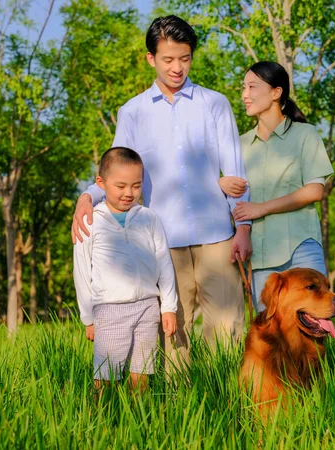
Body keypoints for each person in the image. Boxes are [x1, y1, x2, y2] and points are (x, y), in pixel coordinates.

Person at [71, 15, 252, 369]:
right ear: (151, 59)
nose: (177, 67)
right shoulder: (133, 113)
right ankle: (177, 409)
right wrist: (85, 197)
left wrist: (243, 228)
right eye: (168, 59)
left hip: (217, 234)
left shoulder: (214, 104)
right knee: (172, 332)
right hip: (162, 241)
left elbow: (235, 173)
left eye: (185, 58)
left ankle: (225, 400)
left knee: (228, 325)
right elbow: (116, 170)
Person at [218, 61, 333, 312]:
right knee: (269, 330)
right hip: (258, 254)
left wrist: (261, 208)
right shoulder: (240, 145)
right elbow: (232, 199)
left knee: (315, 323)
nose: (244, 95)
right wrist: (220, 182)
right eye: (243, 88)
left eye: (252, 87)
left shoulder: (305, 135)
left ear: (276, 92)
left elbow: (314, 191)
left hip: (301, 246)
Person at [73, 147, 178, 392]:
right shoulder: (90, 220)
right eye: (120, 186)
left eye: (136, 186)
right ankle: (102, 422)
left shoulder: (149, 218)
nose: (128, 193)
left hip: (148, 308)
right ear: (101, 183)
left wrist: (169, 308)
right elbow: (81, 272)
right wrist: (88, 318)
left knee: (141, 376)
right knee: (105, 379)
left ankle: (139, 424)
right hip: (109, 310)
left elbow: (164, 263)